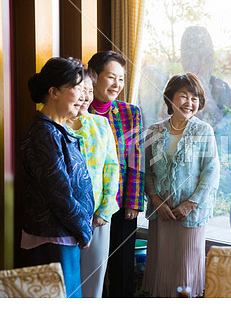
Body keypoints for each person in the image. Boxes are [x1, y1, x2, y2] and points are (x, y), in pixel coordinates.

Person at [21, 57, 94, 298]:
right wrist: (83, 229)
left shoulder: (58, 129)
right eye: (76, 88)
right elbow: (59, 192)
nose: (83, 97)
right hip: (52, 239)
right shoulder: (44, 132)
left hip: (65, 235)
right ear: (53, 92)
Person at [142, 73, 220, 297]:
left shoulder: (204, 131)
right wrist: (155, 200)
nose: (189, 103)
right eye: (183, 96)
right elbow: (146, 170)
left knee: (185, 270)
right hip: (162, 214)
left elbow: (211, 171)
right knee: (162, 269)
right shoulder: (154, 131)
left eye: (195, 98)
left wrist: (190, 204)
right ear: (170, 98)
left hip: (190, 216)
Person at [87, 51, 144, 298]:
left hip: (121, 203)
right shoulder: (78, 108)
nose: (117, 85)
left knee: (122, 267)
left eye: (121, 79)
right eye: (111, 77)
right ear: (93, 76)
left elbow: (136, 159)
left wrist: (133, 202)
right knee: (90, 270)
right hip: (86, 205)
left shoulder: (129, 112)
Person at [65, 69, 120, 298]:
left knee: (93, 282)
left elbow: (112, 167)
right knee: (67, 283)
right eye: (81, 90)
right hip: (65, 218)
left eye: (89, 90)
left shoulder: (101, 124)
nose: (86, 96)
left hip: (98, 217)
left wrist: (104, 211)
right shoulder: (58, 125)